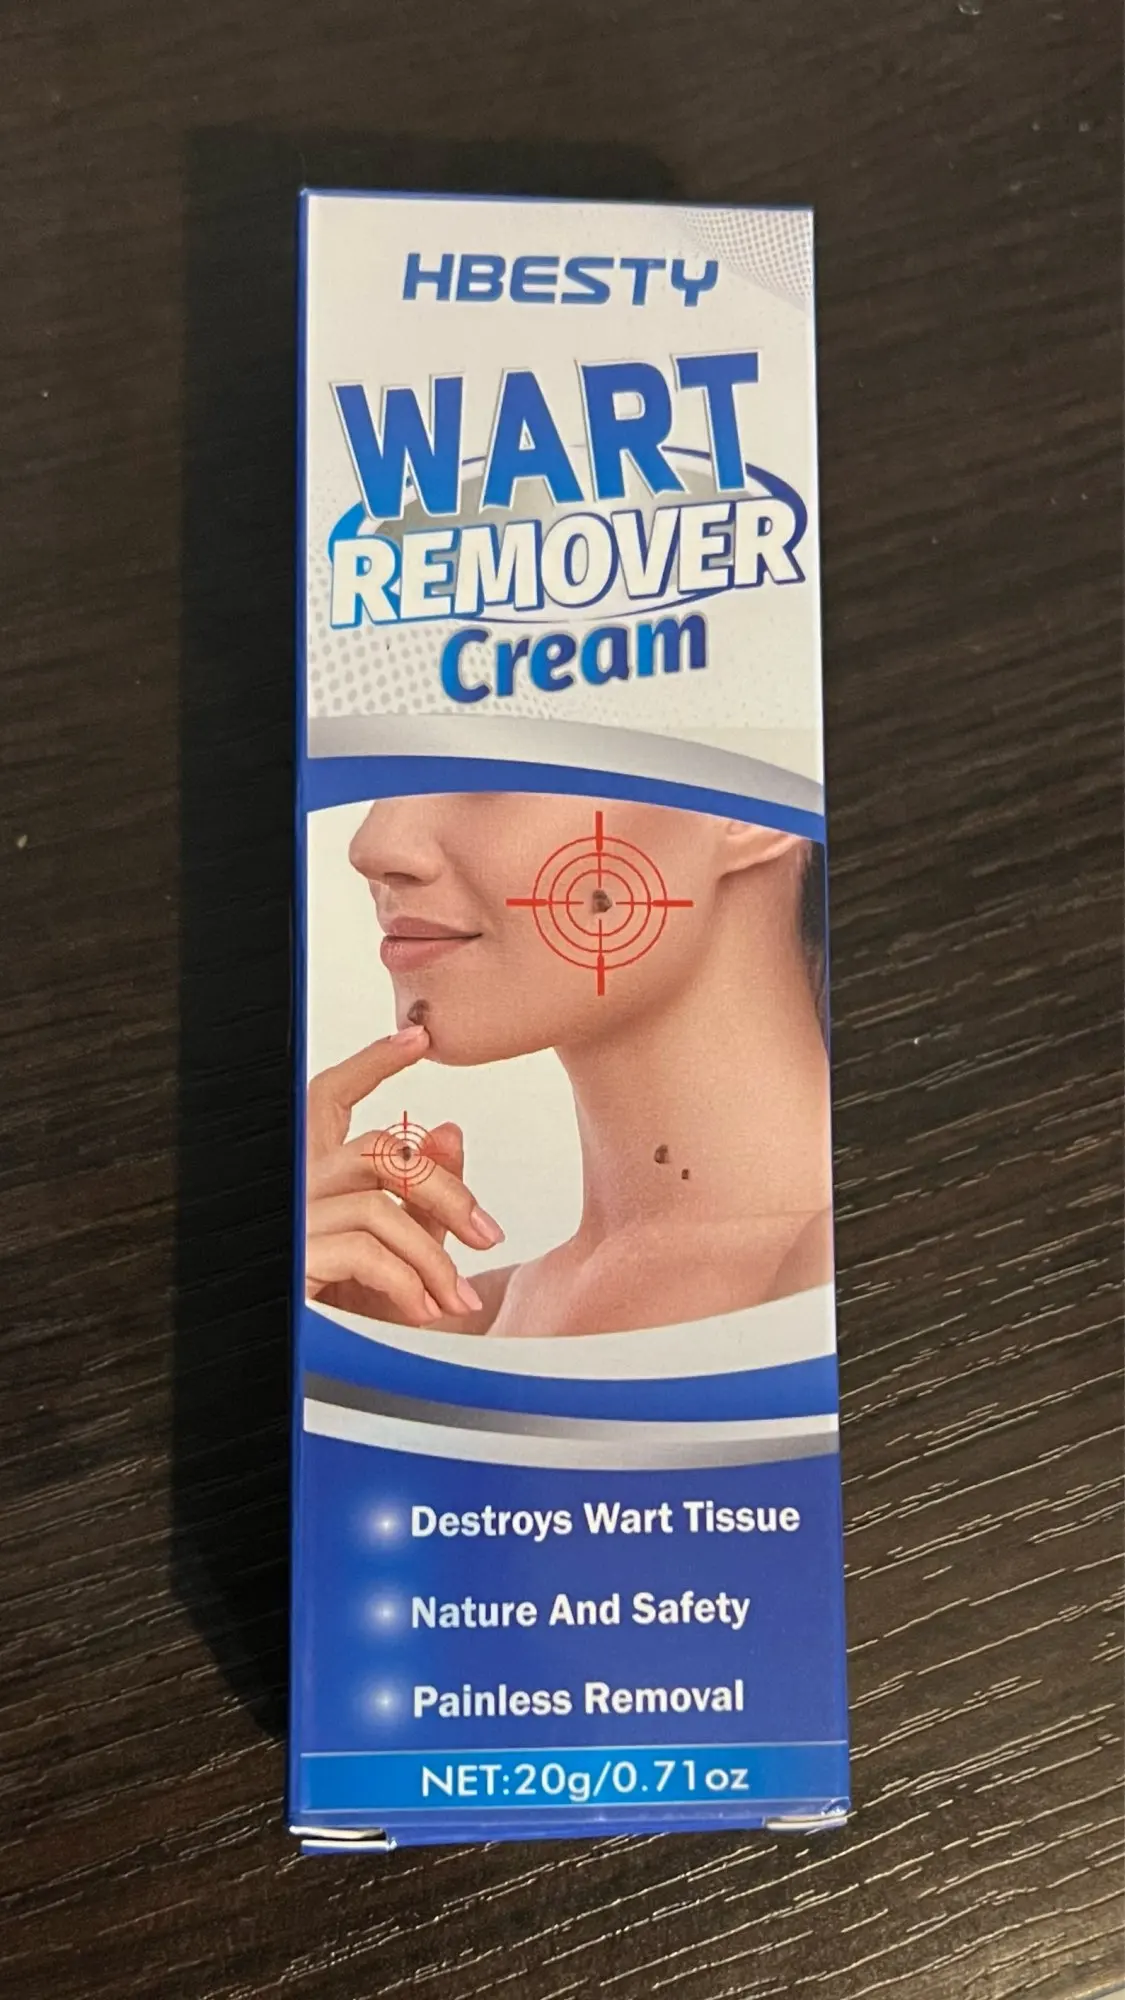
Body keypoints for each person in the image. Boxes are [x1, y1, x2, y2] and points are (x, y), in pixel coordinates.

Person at [304, 790, 832, 1338]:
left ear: (745, 807)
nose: (373, 846)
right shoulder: (449, 1322)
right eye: (389, 775)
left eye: (485, 771)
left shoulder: (831, 1280)